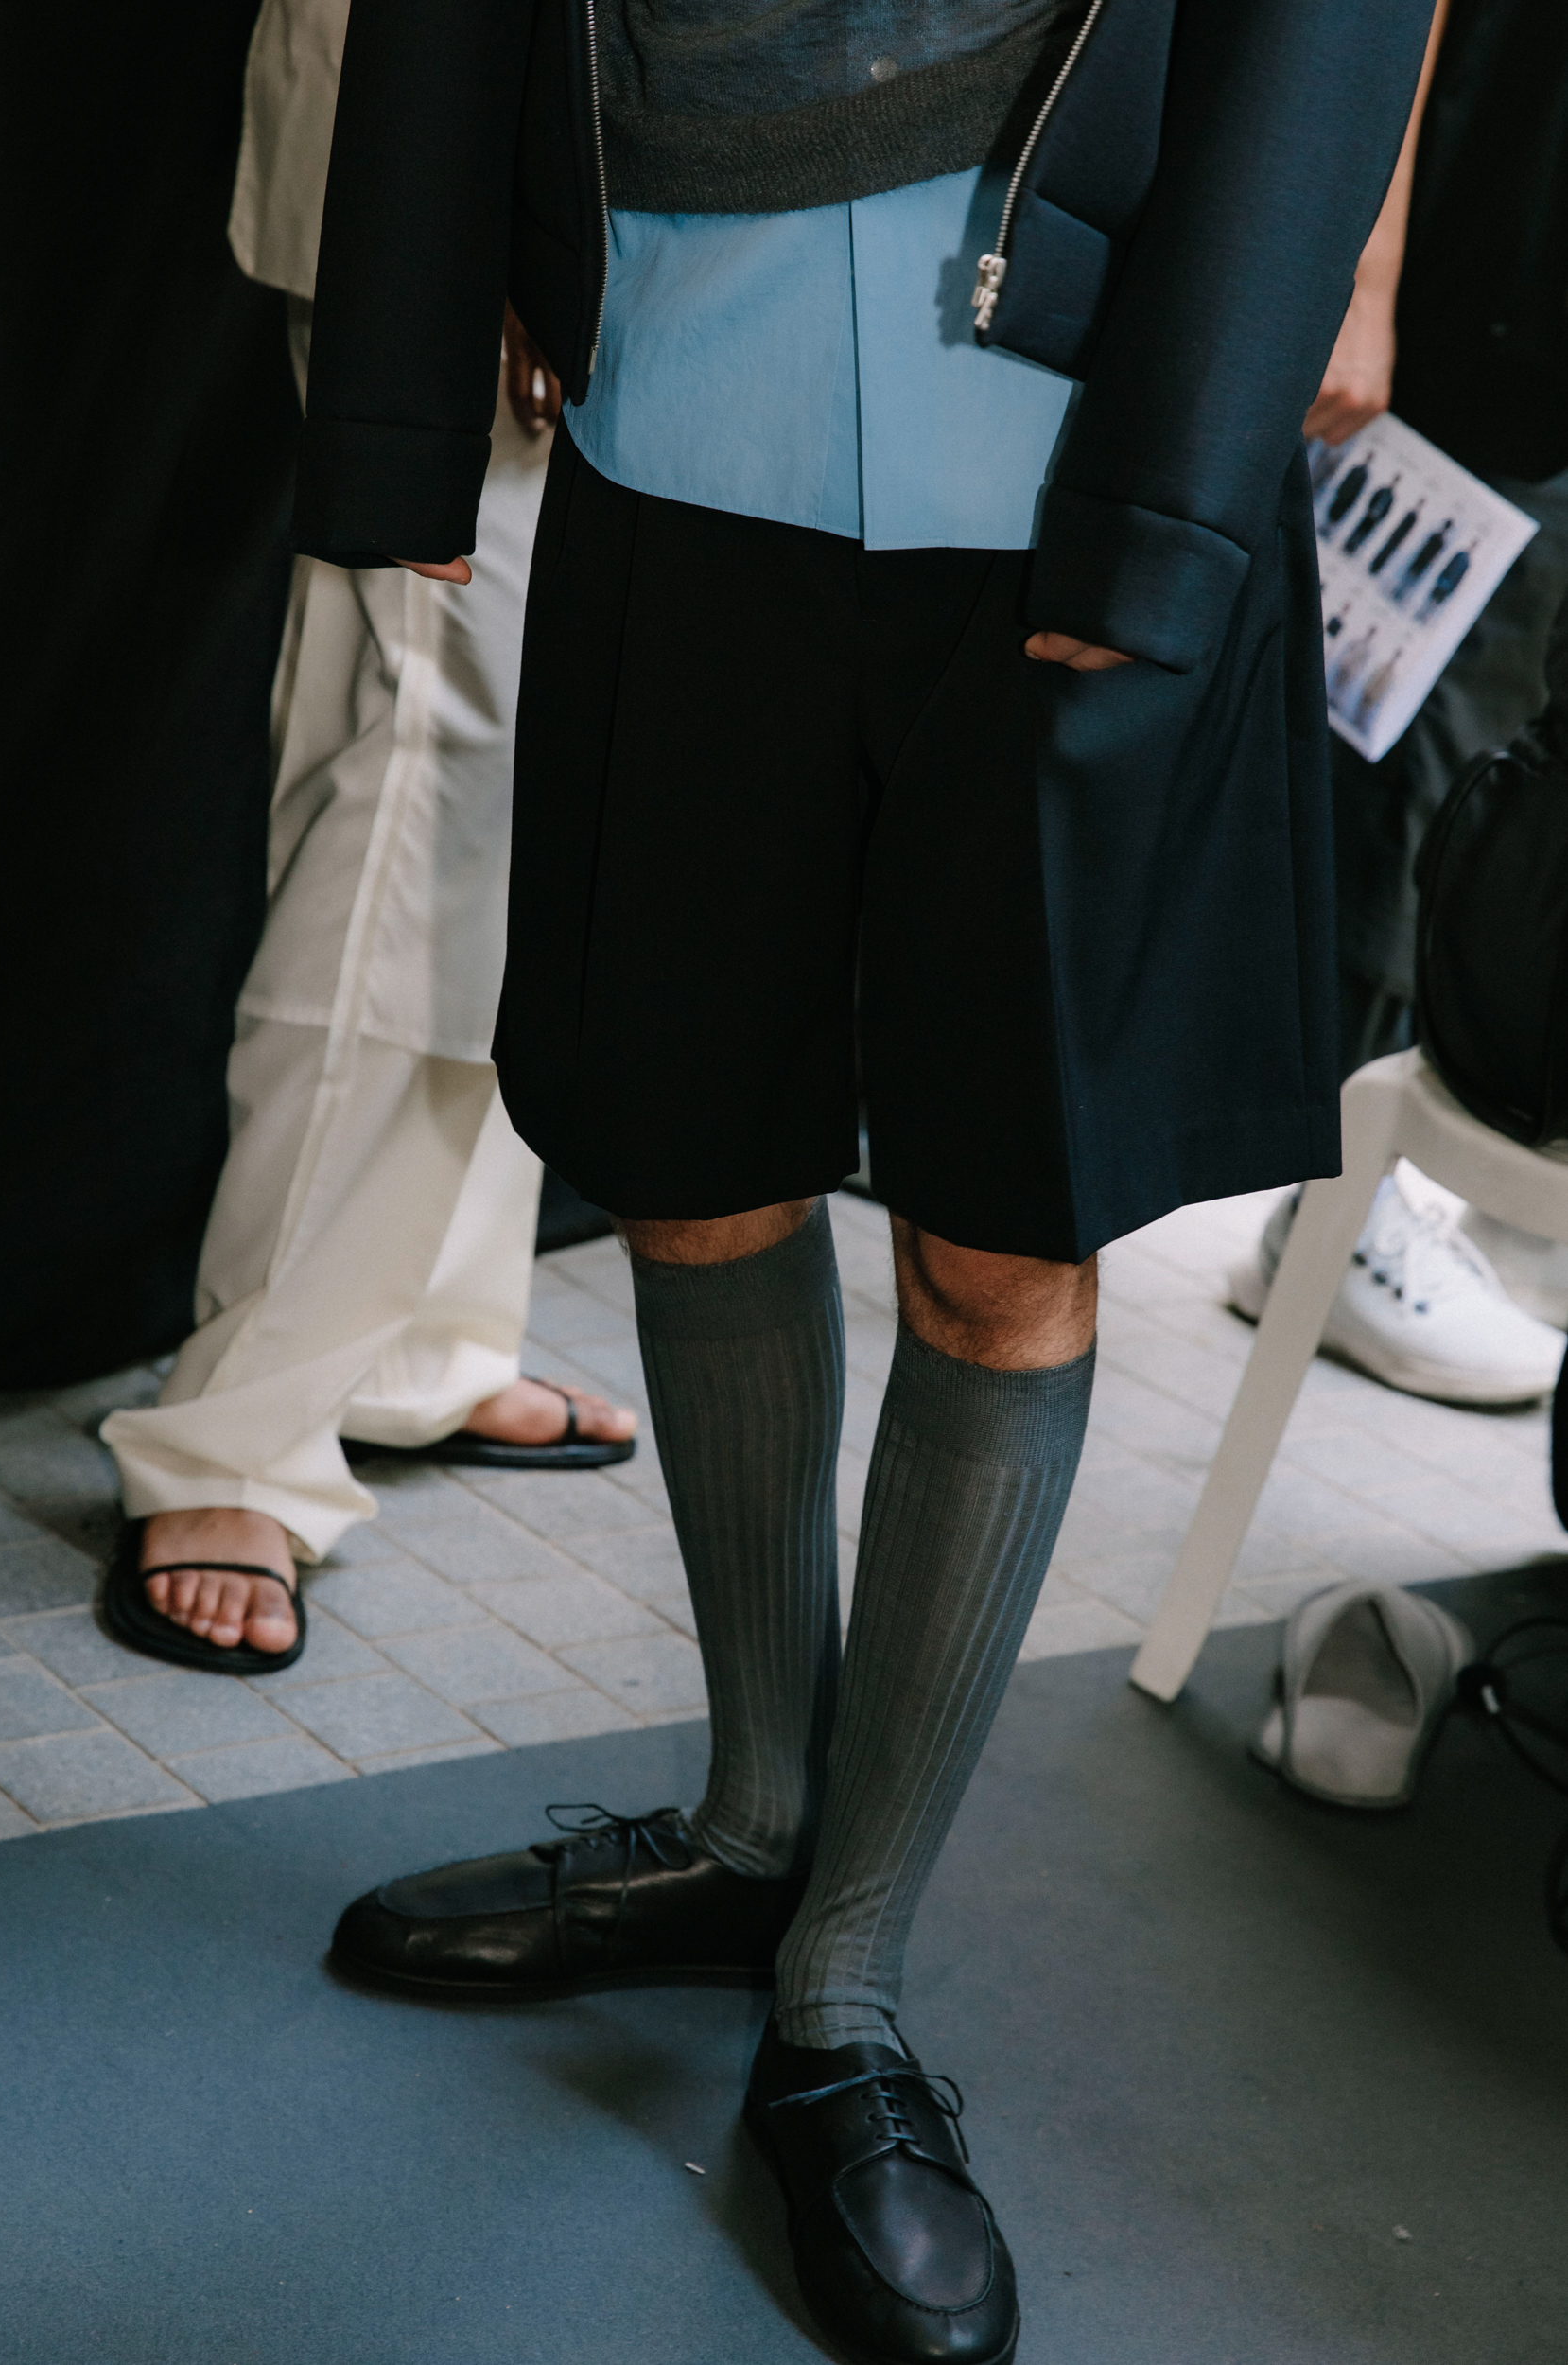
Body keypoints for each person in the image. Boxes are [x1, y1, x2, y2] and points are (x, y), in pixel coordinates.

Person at [291, 1, 1437, 2356]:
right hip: (670, 400)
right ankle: (746, 1821)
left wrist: (1312, 298)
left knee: (998, 1244)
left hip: (1086, 444)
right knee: (689, 1167)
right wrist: (420, 325)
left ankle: (845, 1979)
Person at [98, 0, 636, 1677]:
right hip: (469, 106)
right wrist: (494, 189)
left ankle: (413, 1334)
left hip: (639, 134)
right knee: (421, 783)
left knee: (519, 775)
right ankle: (236, 1439)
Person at [1232, 0, 1568, 1405]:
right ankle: (1327, 1203)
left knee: (1471, 737)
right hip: (1479, 292)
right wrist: (1362, 267)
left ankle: (1356, 1192)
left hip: (1513, 309)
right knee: (1413, 749)